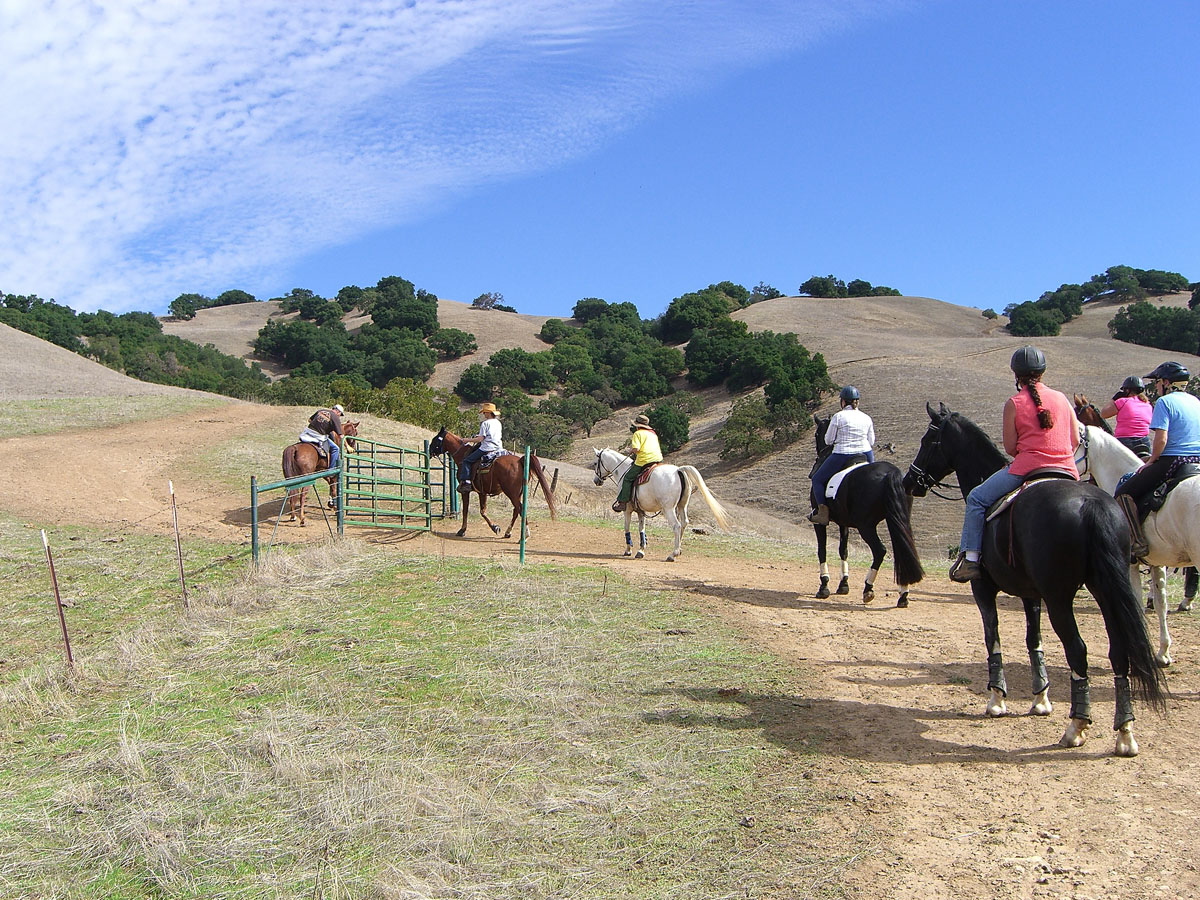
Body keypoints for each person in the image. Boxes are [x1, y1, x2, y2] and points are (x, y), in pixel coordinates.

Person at [949, 346, 1081, 582]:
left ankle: (970, 559)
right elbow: (1076, 440)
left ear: (1016, 374)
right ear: (1043, 372)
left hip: (1027, 469)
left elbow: (1010, 448)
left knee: (977, 499)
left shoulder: (1015, 403)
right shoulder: (1061, 398)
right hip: (1068, 470)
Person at [1114, 361, 1200, 558]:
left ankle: (1137, 544)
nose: (1157, 386)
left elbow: (1161, 439)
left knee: (1124, 493)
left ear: (1167, 383)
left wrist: (1152, 461)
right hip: (1197, 460)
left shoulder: (1164, 402)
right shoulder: (1196, 401)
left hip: (1174, 460)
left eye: (1159, 382)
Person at [808, 386, 875, 525]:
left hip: (843, 453)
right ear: (857, 402)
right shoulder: (866, 418)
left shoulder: (838, 416)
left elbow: (828, 440)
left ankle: (822, 513)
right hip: (865, 452)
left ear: (843, 402)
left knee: (817, 480)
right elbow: (871, 441)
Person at [612, 414, 663, 513]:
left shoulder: (638, 433)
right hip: (657, 459)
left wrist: (631, 450)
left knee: (627, 478)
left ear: (638, 425)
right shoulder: (653, 433)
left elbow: (637, 448)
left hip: (644, 460)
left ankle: (623, 503)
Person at [1100, 375, 1153, 459]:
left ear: (1127, 390)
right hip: (1144, 441)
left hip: (1124, 440)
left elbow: (1103, 414)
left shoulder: (1122, 401)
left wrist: (1114, 399)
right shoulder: (1147, 404)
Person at [458, 402, 502, 491]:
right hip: (498, 448)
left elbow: (480, 439)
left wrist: (467, 440)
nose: (484, 414)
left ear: (489, 413)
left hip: (486, 448)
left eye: (485, 412)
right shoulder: (498, 423)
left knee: (467, 461)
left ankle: (467, 482)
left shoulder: (485, 423)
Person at [302, 404, 346, 469]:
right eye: (340, 414)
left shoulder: (321, 410)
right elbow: (341, 435)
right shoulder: (335, 417)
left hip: (308, 432)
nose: (339, 416)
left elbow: (309, 420)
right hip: (319, 436)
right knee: (336, 449)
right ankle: (331, 470)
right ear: (338, 411)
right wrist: (347, 446)